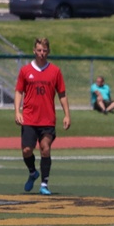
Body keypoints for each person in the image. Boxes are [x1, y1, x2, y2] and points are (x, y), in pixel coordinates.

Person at [14, 37, 70, 196]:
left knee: (45, 149)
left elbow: (62, 94)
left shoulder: (55, 71)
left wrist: (67, 115)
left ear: (48, 51)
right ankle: (33, 172)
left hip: (47, 119)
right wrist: (17, 111)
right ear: (34, 51)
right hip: (29, 118)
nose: (41, 53)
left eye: (44, 51)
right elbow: (19, 91)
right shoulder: (25, 71)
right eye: (39, 50)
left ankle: (44, 183)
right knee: (26, 150)